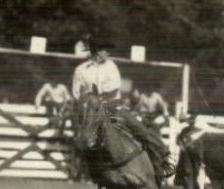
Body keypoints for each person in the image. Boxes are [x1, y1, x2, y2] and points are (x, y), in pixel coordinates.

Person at [72, 40, 175, 181]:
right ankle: (91, 173)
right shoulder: (81, 70)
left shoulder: (111, 66)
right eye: (105, 50)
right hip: (91, 110)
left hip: (111, 106)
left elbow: (115, 85)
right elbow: (76, 93)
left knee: (138, 127)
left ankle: (164, 157)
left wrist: (95, 92)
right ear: (96, 51)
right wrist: (89, 99)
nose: (108, 53)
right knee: (82, 138)